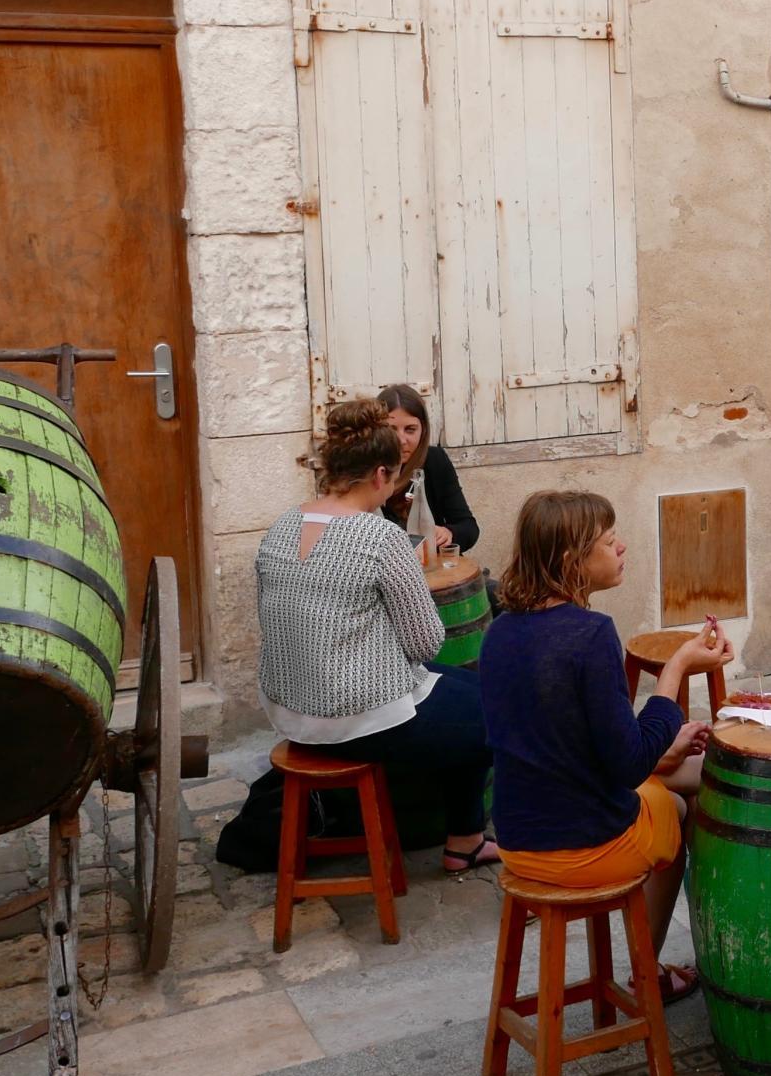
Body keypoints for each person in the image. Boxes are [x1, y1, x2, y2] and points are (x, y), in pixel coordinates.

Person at [478, 490, 730, 999]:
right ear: (573, 559)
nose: (621, 548)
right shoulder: (591, 634)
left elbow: (567, 744)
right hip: (581, 845)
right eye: (609, 541)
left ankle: (656, 964)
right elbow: (627, 762)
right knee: (681, 805)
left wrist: (664, 748)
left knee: (691, 769)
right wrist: (677, 668)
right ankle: (650, 970)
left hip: (519, 838)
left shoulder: (500, 632)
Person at [253, 400, 497, 874]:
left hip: (289, 707)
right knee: (496, 712)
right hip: (354, 717)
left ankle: (463, 838)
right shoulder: (379, 537)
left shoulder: (281, 527)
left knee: (471, 690)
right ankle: (469, 837)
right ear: (383, 475)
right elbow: (426, 644)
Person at [376, 382, 480, 552]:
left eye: (410, 430)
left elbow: (469, 527)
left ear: (423, 430)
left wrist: (448, 533)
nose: (401, 440)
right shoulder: (365, 465)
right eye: (391, 430)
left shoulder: (434, 460)